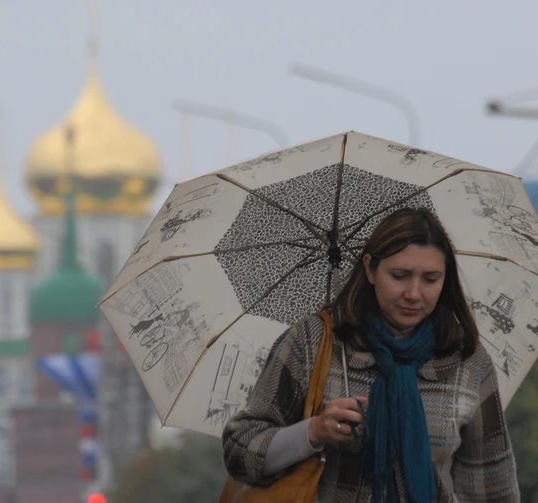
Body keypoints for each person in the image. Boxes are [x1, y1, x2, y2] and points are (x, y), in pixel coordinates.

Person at [222, 208, 520, 502]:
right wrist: (312, 432)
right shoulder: (314, 343)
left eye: (431, 279)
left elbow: (492, 488)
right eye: (400, 276)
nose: (414, 293)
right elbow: (239, 450)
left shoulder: (466, 359)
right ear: (370, 269)